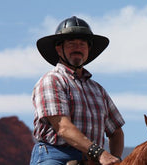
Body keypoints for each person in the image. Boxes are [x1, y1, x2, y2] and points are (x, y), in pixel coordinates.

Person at [30, 16, 125, 165]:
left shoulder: (98, 90)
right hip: (56, 156)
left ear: (88, 50)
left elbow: (116, 131)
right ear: (58, 49)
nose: (78, 48)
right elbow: (63, 127)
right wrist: (100, 153)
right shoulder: (52, 80)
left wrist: (116, 159)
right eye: (71, 43)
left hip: (93, 161)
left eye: (82, 44)